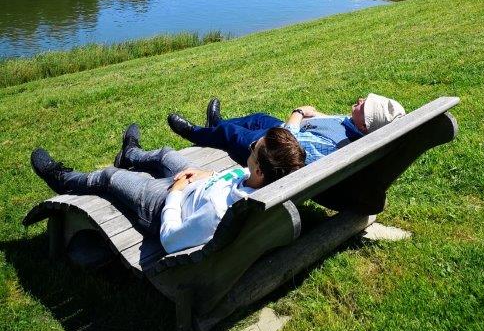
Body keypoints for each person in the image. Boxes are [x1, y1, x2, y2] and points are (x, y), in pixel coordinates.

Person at [30, 124, 305, 254]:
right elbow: (242, 175)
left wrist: (174, 192)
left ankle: (62, 179)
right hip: (199, 185)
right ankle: (131, 153)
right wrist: (209, 173)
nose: (250, 147)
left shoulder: (218, 213)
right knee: (165, 154)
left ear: (260, 170)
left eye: (252, 150)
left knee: (111, 177)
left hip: (164, 205)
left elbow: (171, 239)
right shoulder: (265, 183)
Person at [168, 94, 405, 166]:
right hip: (288, 133)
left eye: (365, 106)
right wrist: (319, 115)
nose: (362, 100)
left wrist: (298, 113)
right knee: (258, 118)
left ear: (365, 125)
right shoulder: (356, 129)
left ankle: (197, 133)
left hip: (275, 148)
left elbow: (290, 140)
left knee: (232, 134)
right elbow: (335, 123)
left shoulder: (339, 146)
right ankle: (217, 123)